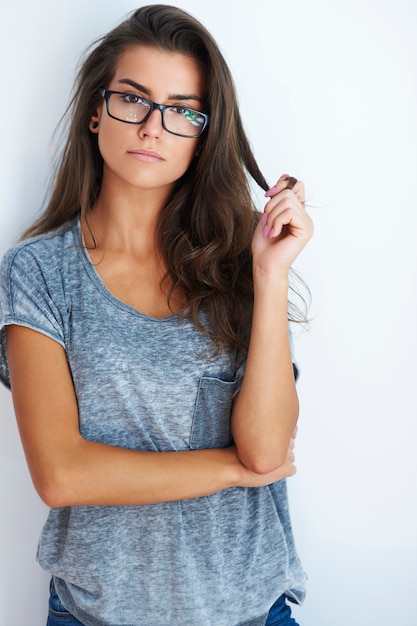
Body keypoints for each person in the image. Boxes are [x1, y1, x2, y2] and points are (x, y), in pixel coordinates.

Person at [0, 4, 313, 625]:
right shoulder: (36, 273)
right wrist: (230, 469)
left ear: (202, 134)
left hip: (248, 608)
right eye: (133, 99)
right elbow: (62, 475)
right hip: (99, 613)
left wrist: (270, 275)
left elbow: (268, 446)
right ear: (96, 111)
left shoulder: (238, 268)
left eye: (181, 110)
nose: (152, 127)